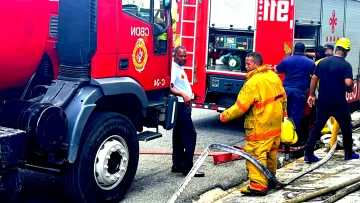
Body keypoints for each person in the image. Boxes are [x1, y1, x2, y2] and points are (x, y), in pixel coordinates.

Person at [220, 52, 287, 196]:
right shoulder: (273, 76)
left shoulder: (253, 82)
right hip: (274, 126)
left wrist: (225, 116)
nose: (245, 66)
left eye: (248, 64)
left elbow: (240, 107)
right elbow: (283, 98)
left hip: (260, 125)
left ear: (257, 64)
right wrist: (283, 116)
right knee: (271, 154)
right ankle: (271, 180)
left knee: (256, 154)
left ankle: (258, 185)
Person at [305, 38, 359, 162]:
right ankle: (348, 153)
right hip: (339, 102)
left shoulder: (322, 63)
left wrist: (312, 95)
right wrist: (349, 88)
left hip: (323, 101)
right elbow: (348, 82)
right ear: (347, 51)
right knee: (346, 127)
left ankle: (308, 154)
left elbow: (314, 78)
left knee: (317, 126)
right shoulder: (345, 65)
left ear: (335, 49)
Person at [170, 46, 205, 177]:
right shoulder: (174, 68)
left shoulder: (179, 68)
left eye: (185, 56)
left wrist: (190, 94)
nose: (184, 58)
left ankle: (177, 165)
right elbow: (169, 87)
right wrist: (183, 95)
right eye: (181, 56)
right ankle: (188, 167)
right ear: (174, 55)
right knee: (190, 136)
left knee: (179, 136)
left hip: (183, 104)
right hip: (180, 106)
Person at [276, 42, 316, 144]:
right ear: (305, 51)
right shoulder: (310, 62)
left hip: (285, 91)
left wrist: (286, 57)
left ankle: (281, 138)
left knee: (284, 113)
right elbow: (315, 76)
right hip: (299, 92)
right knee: (296, 116)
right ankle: (292, 139)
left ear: (294, 50)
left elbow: (278, 70)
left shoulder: (287, 60)